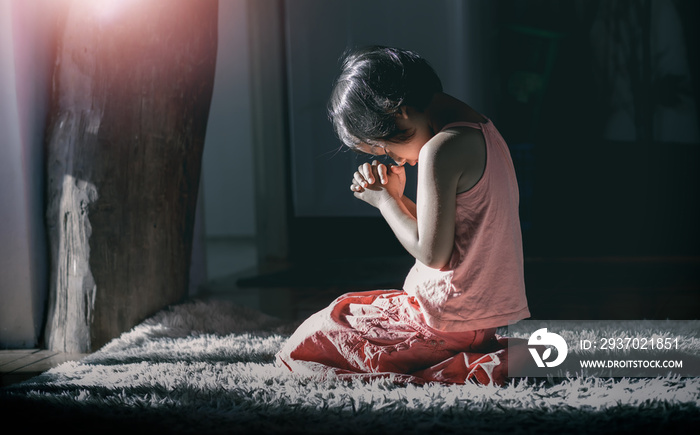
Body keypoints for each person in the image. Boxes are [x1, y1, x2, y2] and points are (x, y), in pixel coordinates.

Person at [276, 46, 530, 386]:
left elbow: (432, 253)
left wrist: (385, 203)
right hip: (474, 320)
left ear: (401, 113)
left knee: (315, 338)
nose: (394, 158)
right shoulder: (483, 131)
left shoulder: (441, 150)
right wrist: (398, 197)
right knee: (352, 313)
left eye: (384, 148)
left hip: (443, 321)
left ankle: (451, 364)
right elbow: (453, 236)